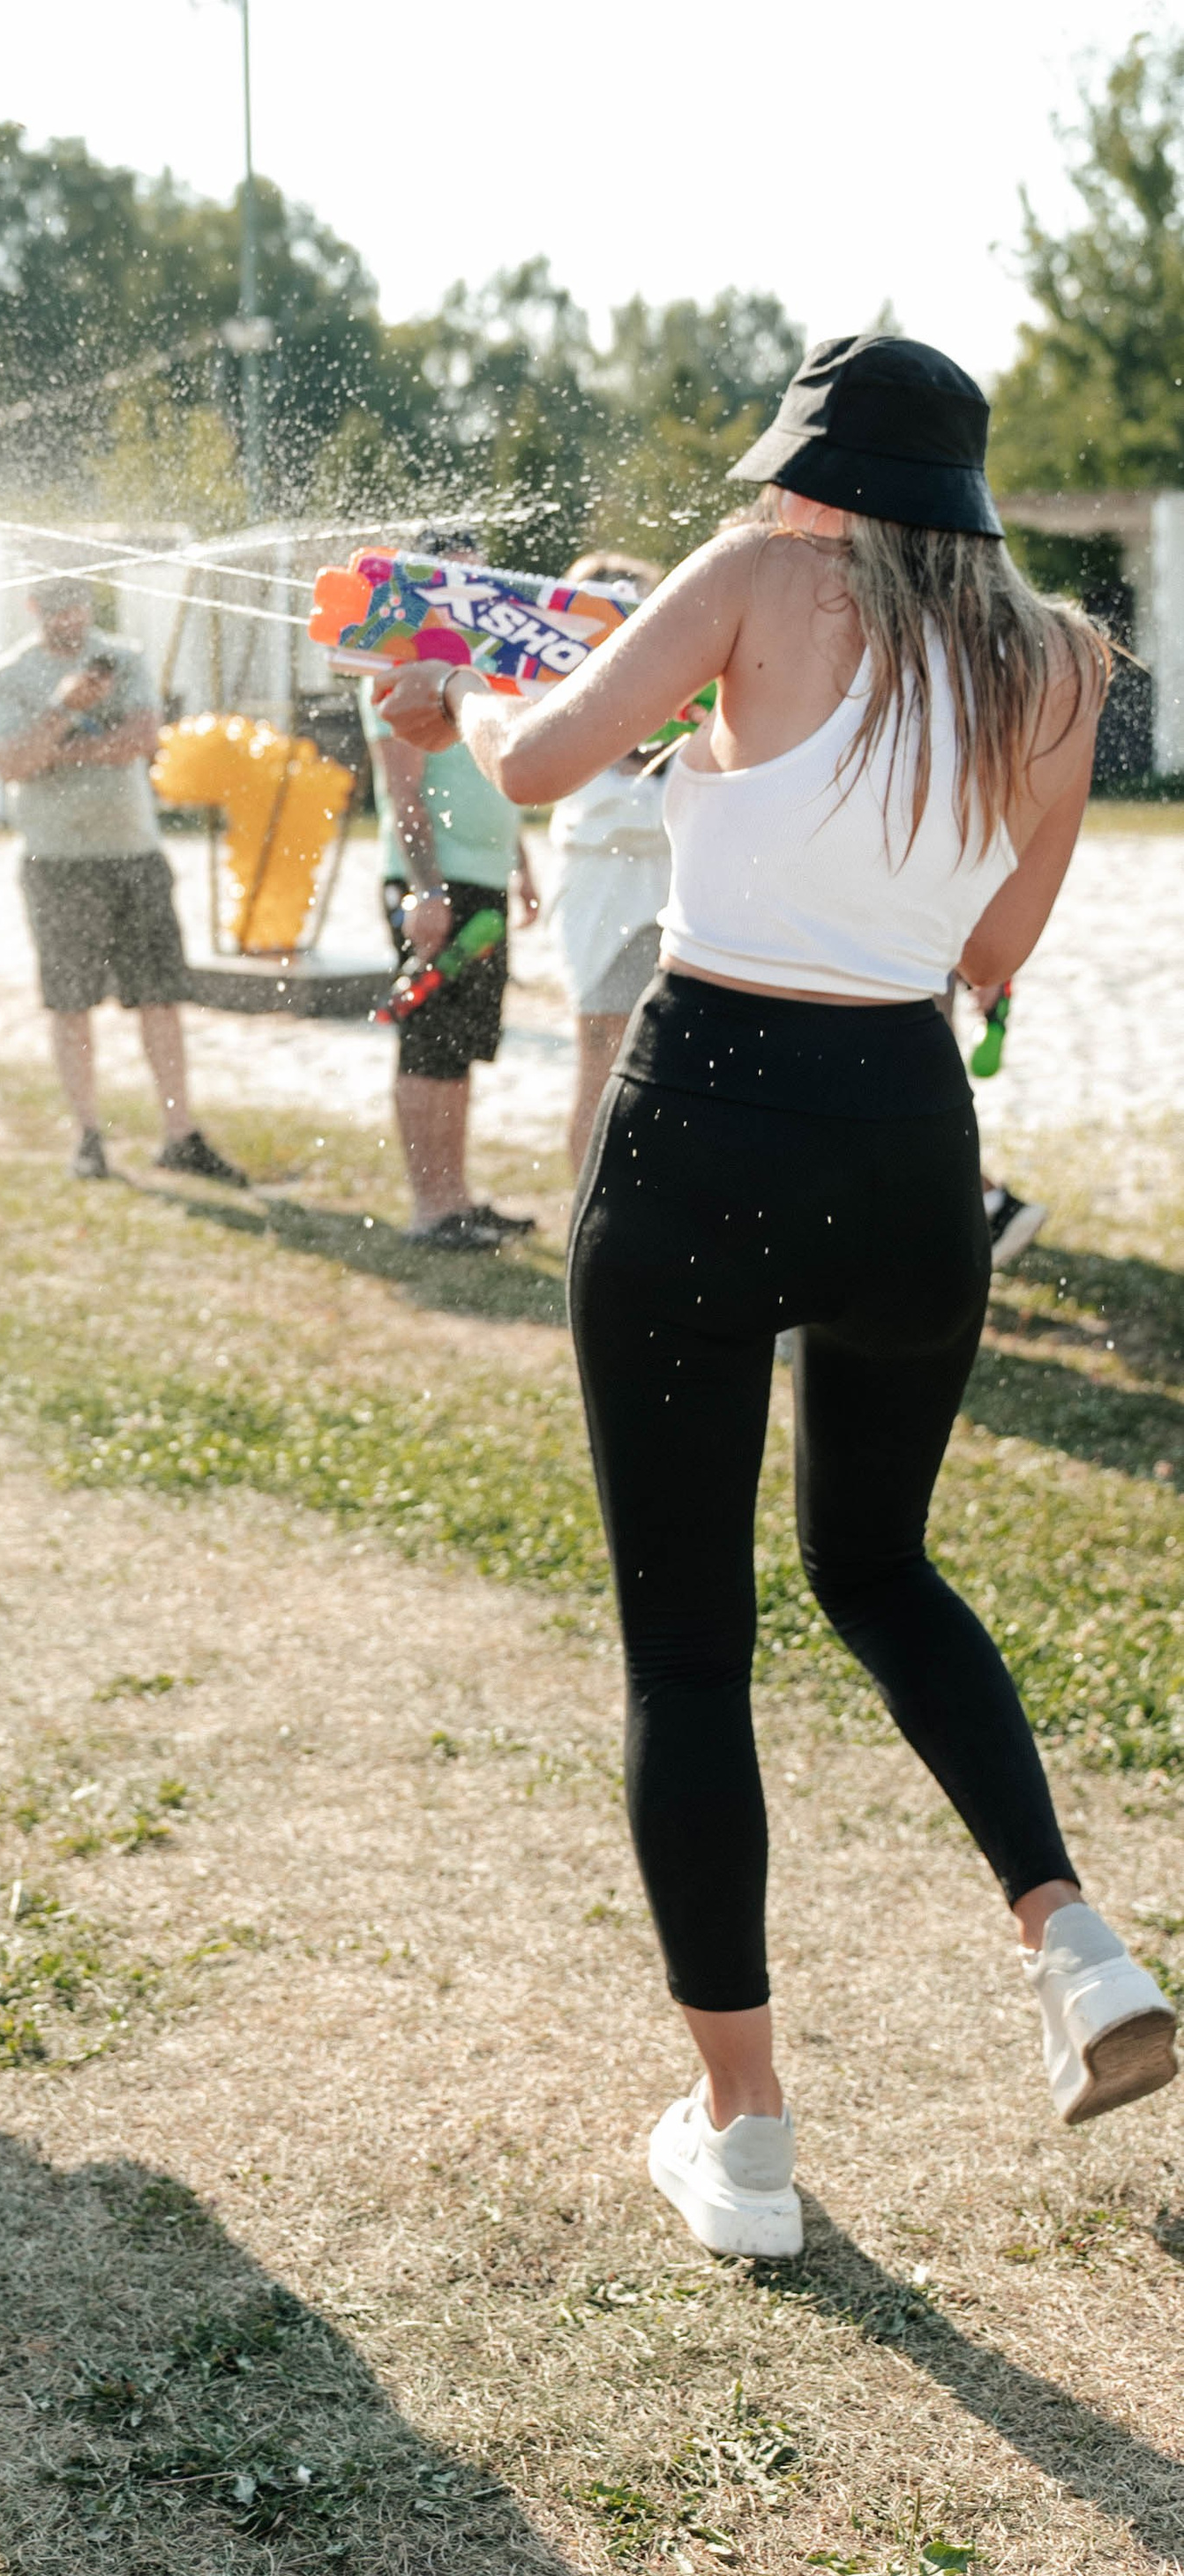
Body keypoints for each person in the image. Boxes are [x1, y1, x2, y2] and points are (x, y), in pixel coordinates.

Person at [384, 333, 1175, 2260]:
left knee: (684, 1647)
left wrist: (483, 703)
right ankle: (1068, 1939)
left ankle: (741, 2143)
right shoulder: (1058, 656)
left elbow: (538, 761)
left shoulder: (752, 575)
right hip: (905, 1134)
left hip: (708, 1120)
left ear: (810, 475)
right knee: (880, 1566)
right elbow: (990, 947)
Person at [0, 577, 245, 1187]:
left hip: (132, 851)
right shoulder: (10, 675)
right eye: (53, 604)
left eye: (75, 601)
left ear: (89, 602)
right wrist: (66, 710)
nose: (66, 614)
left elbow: (142, 741)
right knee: (71, 1002)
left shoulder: (123, 657)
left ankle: (179, 1134)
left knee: (160, 995)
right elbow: (9, 763)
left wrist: (56, 747)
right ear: (33, 607)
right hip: (55, 857)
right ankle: (89, 1137)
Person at [361, 528, 538, 1251]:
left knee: (462, 1043)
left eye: (475, 580)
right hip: (433, 887)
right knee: (427, 1043)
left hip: (482, 881)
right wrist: (424, 892)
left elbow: (495, 776)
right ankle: (428, 1208)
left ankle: (456, 1198)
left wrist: (522, 861)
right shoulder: (398, 668)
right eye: (452, 581)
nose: (466, 596)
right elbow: (402, 796)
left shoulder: (478, 672)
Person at [537, 549, 671, 1176]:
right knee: (603, 1059)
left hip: (674, 908)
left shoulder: (670, 697)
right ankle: (589, 1217)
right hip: (607, 910)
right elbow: (603, 808)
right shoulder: (557, 700)